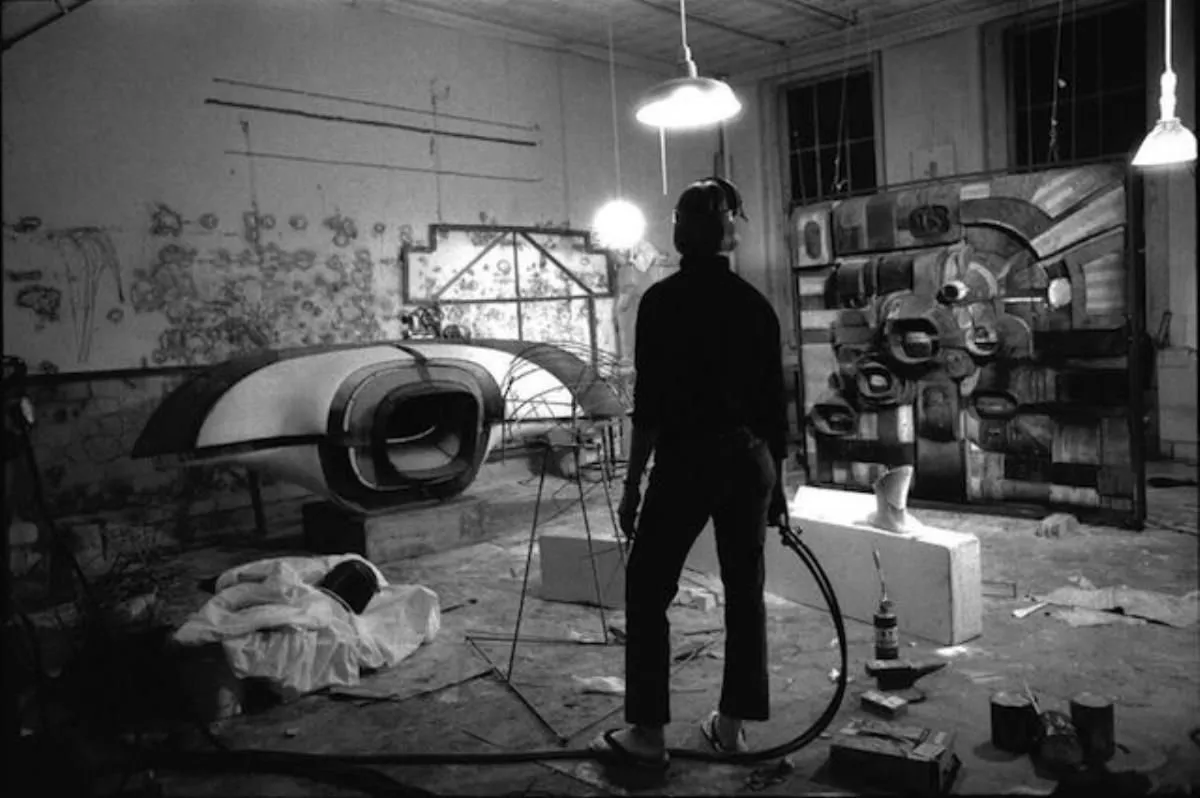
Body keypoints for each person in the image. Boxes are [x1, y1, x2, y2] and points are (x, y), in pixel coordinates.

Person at [590, 176, 790, 771]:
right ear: (730, 234)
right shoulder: (755, 307)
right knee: (744, 593)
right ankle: (731, 729)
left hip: (686, 463)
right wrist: (778, 487)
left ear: (679, 232)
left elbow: (649, 407)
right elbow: (773, 410)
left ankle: (648, 735)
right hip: (748, 461)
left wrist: (632, 485)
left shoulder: (662, 303)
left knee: (648, 588)